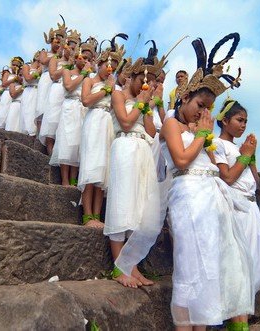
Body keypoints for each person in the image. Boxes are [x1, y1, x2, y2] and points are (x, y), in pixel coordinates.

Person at [161, 33, 253, 329]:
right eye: (200, 104)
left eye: (209, 108)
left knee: (210, 268)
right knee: (189, 267)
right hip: (188, 194)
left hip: (211, 196)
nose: (204, 113)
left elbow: (212, 164)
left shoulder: (200, 131)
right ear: (185, 97)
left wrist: (206, 139)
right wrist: (202, 134)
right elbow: (182, 160)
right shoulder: (170, 124)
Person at [105, 44, 164, 288]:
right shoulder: (118, 94)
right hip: (125, 146)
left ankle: (133, 266)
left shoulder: (144, 100)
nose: (145, 85)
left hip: (143, 150)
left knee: (139, 206)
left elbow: (151, 131)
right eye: (141, 80)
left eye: (148, 82)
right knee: (122, 201)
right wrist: (140, 103)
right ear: (131, 77)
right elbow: (126, 123)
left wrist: (148, 107)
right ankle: (118, 267)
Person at [214, 98, 260, 329]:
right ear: (225, 121)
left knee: (256, 264)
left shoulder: (240, 148)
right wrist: (244, 155)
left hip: (251, 210)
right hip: (234, 211)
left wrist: (251, 157)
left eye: (246, 121)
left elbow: (254, 182)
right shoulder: (217, 144)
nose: (243, 125)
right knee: (238, 267)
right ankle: (235, 321)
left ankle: (240, 318)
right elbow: (226, 177)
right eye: (239, 120)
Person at [78, 34, 127, 228]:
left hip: (107, 123)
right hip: (93, 120)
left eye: (113, 69)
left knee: (103, 170)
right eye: (107, 67)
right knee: (91, 165)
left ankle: (97, 215)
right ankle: (87, 215)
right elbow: (86, 100)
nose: (109, 71)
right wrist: (106, 90)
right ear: (99, 64)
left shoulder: (113, 87)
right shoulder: (90, 81)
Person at [50, 38, 97, 186]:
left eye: (88, 59)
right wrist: (83, 74)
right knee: (66, 141)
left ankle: (73, 178)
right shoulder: (67, 71)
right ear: (77, 57)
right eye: (83, 58)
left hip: (82, 109)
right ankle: (64, 179)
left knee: (78, 143)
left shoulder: (90, 78)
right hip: (70, 106)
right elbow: (69, 87)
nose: (85, 61)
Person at [39, 29, 81, 155]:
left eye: (74, 49)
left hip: (69, 93)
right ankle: (49, 153)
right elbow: (53, 75)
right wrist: (67, 66)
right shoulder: (55, 60)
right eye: (70, 48)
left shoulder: (74, 64)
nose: (71, 51)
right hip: (57, 90)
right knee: (52, 121)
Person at [35, 18, 67, 135]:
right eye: (56, 41)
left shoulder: (63, 56)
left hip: (58, 81)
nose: (58, 44)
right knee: (41, 107)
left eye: (60, 42)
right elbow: (43, 61)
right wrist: (56, 55)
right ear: (51, 41)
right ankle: (39, 134)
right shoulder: (45, 52)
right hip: (46, 79)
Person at [19, 51, 42, 136]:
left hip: (38, 92)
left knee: (35, 112)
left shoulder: (43, 69)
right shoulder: (26, 66)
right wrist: (39, 71)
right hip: (28, 90)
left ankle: (34, 132)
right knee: (27, 110)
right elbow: (28, 78)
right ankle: (26, 132)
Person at [5, 58, 25, 132]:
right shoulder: (12, 84)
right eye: (13, 65)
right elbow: (13, 94)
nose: (15, 67)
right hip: (13, 102)